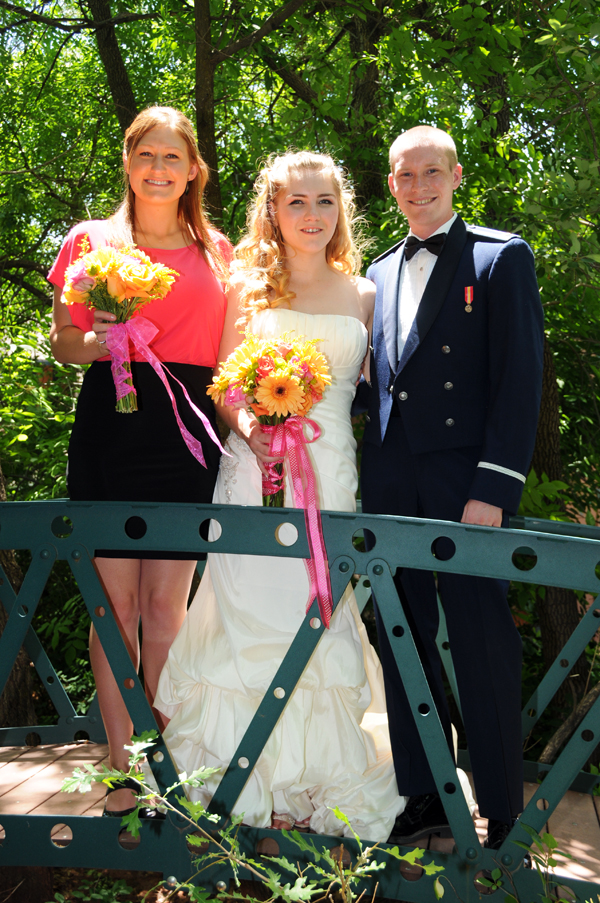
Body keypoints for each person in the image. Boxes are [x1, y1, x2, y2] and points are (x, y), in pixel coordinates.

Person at [154, 151, 407, 841]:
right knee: (250, 620)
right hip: (255, 472)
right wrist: (253, 431)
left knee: (315, 622)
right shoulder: (249, 286)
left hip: (331, 476)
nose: (312, 215)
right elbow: (225, 382)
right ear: (272, 209)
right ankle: (238, 783)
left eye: (324, 201)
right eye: (296, 202)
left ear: (341, 209)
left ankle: (306, 783)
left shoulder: (364, 294)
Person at [360, 125, 544, 849]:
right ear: (392, 184)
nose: (418, 185)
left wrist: (494, 487)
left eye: (431, 171)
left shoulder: (500, 258)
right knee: (400, 638)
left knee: (481, 641)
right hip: (391, 483)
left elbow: (519, 379)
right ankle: (427, 797)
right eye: (405, 175)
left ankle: (502, 809)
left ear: (456, 175)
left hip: (467, 485)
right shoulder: (373, 271)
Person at [48, 106, 231, 817]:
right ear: (128, 162)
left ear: (193, 170)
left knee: (164, 607)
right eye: (145, 155)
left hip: (184, 431)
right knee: (113, 607)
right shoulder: (90, 241)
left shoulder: (219, 251)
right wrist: (103, 338)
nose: (159, 169)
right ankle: (122, 770)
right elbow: (64, 342)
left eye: (172, 157)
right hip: (111, 428)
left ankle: (167, 766)